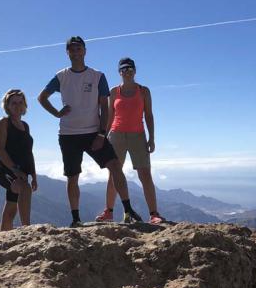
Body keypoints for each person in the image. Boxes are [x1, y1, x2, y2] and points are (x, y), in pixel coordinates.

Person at [37, 36, 142, 227]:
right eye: (72, 49)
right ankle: (76, 218)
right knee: (72, 176)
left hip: (93, 132)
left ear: (85, 51)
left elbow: (105, 106)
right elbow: (42, 97)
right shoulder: (61, 76)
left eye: (79, 49)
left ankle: (128, 210)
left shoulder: (97, 76)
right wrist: (56, 113)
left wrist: (102, 134)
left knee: (115, 166)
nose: (76, 52)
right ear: (67, 52)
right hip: (68, 134)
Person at [96, 57, 165, 224]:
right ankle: (109, 212)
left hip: (137, 135)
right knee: (114, 174)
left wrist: (152, 138)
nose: (127, 72)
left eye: (130, 69)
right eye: (124, 69)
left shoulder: (144, 91)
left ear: (135, 71)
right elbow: (109, 116)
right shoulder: (113, 92)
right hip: (116, 135)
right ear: (119, 72)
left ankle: (154, 214)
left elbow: (148, 115)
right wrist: (103, 136)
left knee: (145, 174)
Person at [0, 89, 37, 231]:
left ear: (25, 105)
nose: (17, 106)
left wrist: (34, 175)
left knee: (11, 206)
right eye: (14, 103)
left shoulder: (25, 126)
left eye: (20, 102)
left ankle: (3, 238)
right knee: (25, 189)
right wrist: (15, 170)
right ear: (7, 106)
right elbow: (0, 149)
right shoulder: (4, 123)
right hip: (5, 169)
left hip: (21, 171)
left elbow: (29, 153)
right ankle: (26, 229)